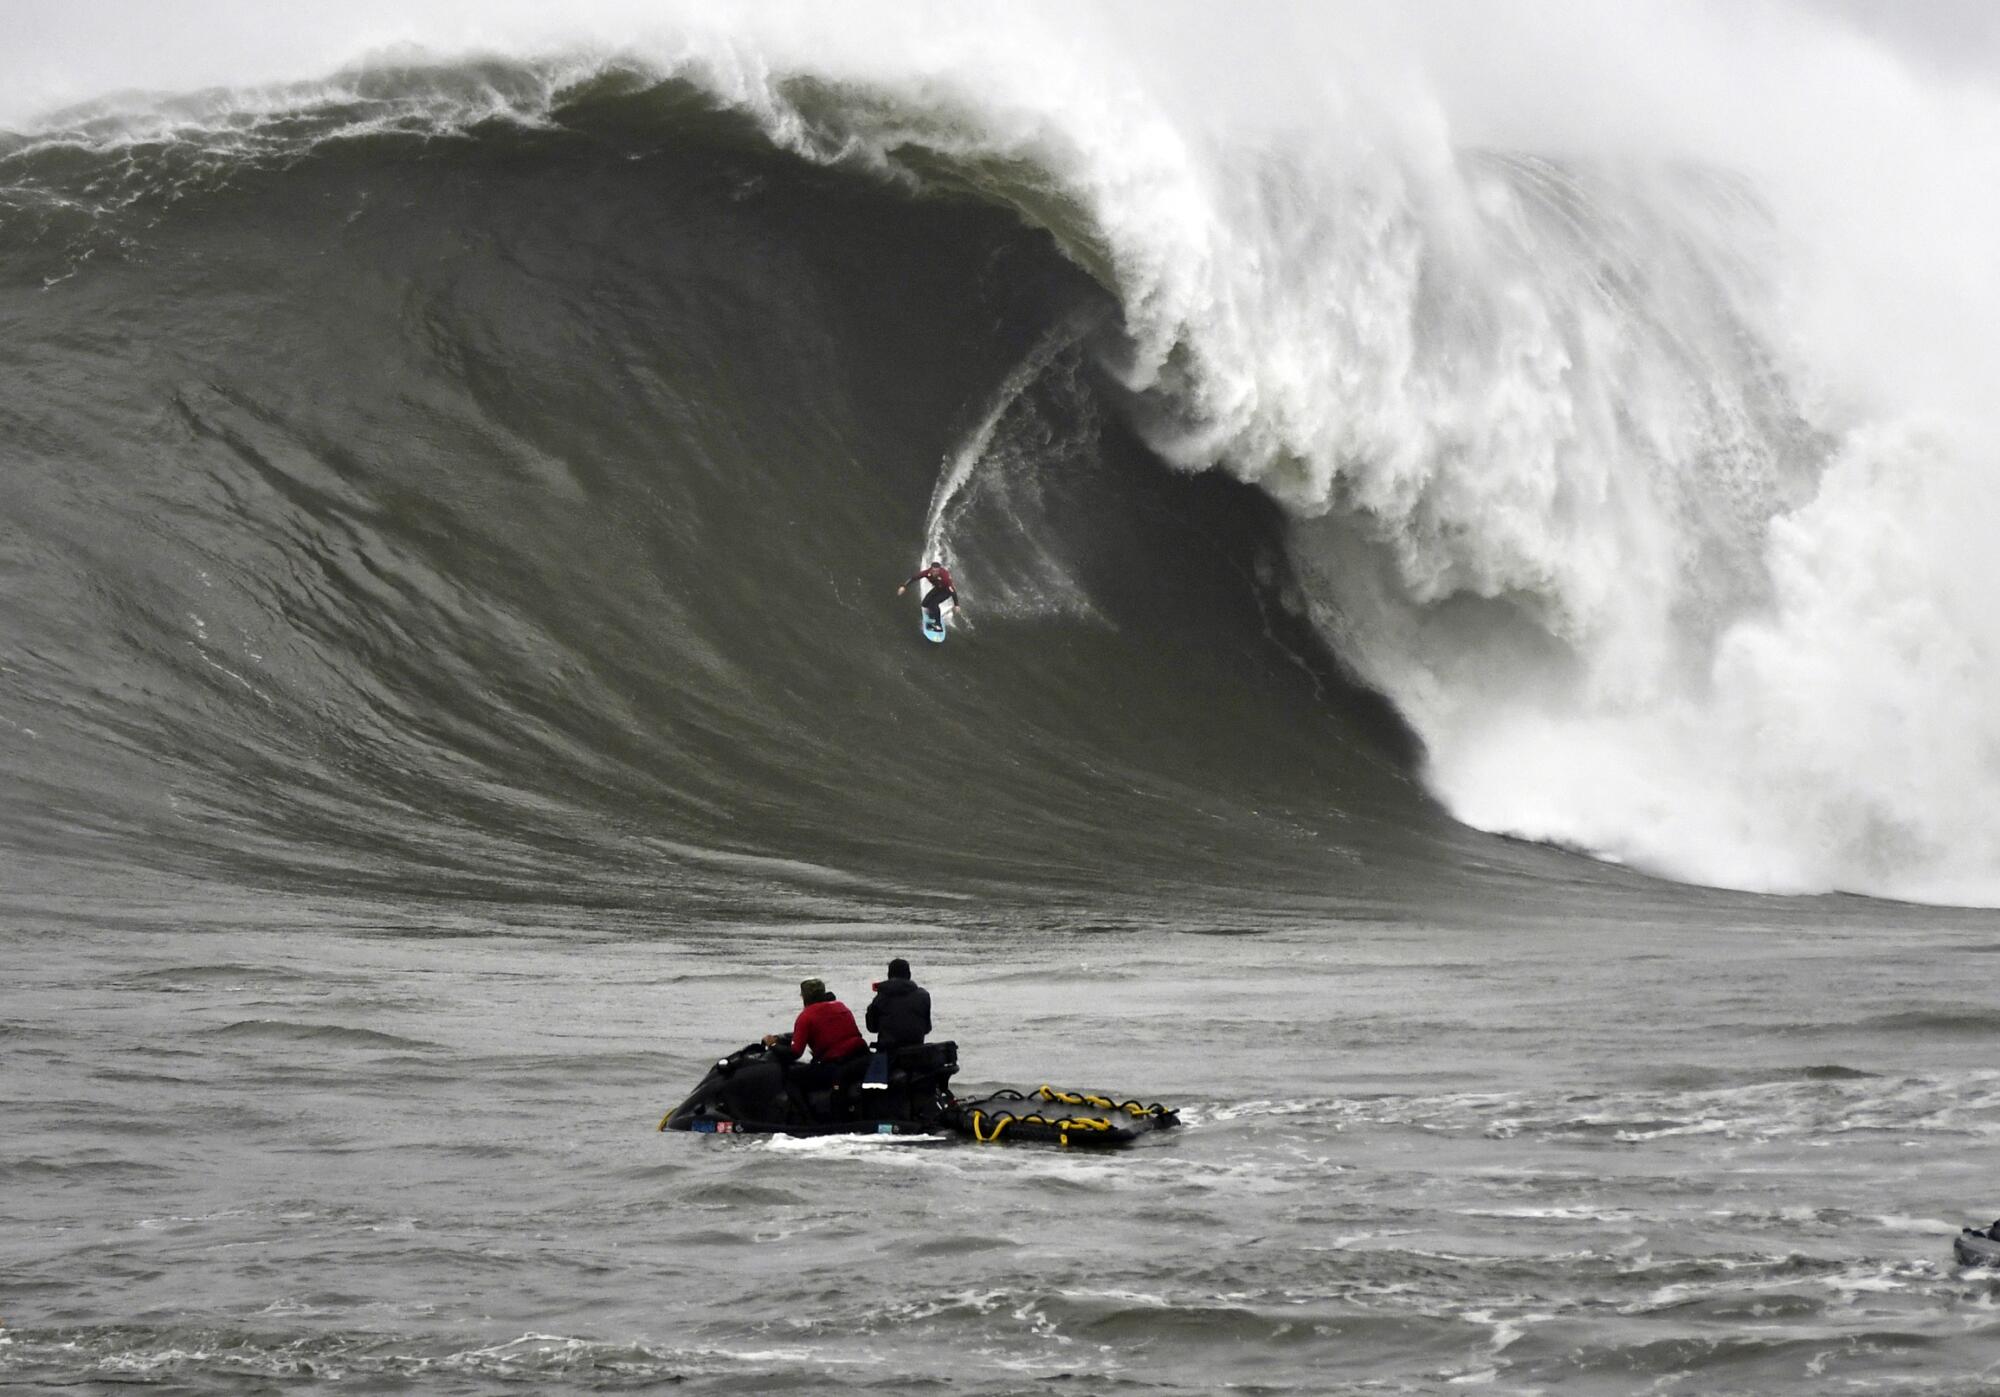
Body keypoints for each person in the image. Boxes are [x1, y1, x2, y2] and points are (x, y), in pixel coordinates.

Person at [762, 977, 868, 1102]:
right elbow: (827, 1029)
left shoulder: (806, 1016)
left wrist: (773, 1044)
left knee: (790, 1078)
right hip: (862, 1058)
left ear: (804, 997)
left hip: (837, 1066)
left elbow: (795, 1053)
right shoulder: (840, 1007)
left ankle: (805, 1116)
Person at [865, 958, 933, 1050]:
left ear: (889, 976)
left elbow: (872, 1028)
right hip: (916, 1053)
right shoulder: (923, 997)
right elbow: (927, 1028)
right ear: (909, 975)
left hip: (888, 1055)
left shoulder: (880, 999)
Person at [898, 560, 960, 626]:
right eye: (933, 571)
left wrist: (956, 605)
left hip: (947, 591)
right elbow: (914, 578)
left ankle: (938, 624)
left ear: (939, 571)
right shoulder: (927, 573)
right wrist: (904, 586)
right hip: (938, 588)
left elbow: (953, 591)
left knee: (934, 603)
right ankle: (933, 613)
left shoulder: (945, 577)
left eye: (937, 571)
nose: (935, 573)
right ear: (931, 569)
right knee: (924, 604)